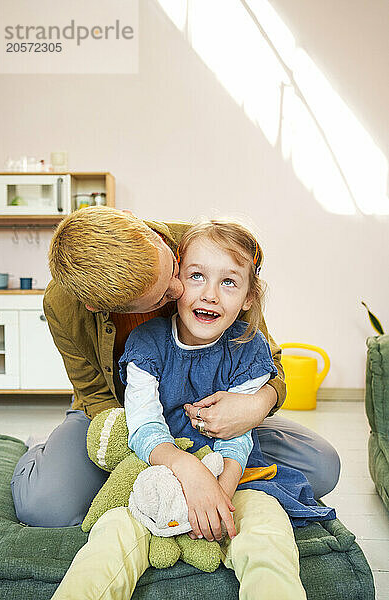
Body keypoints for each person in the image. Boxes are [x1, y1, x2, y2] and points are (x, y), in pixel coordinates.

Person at [51, 220, 335, 599]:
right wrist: (186, 472)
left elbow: (241, 432)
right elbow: (137, 420)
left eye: (229, 283)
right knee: (110, 533)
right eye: (194, 277)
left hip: (232, 470)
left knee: (268, 531)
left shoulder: (241, 328)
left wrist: (224, 485)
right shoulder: (141, 341)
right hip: (154, 466)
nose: (202, 293)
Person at [11, 207, 340, 528]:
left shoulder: (207, 248)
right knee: (45, 507)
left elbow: (267, 364)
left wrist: (253, 407)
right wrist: (166, 456)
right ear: (98, 306)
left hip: (208, 418)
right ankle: (45, 450)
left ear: (134, 222)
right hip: (123, 414)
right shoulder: (63, 303)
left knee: (321, 466)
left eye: (174, 268)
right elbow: (96, 395)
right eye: (160, 299)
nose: (180, 289)